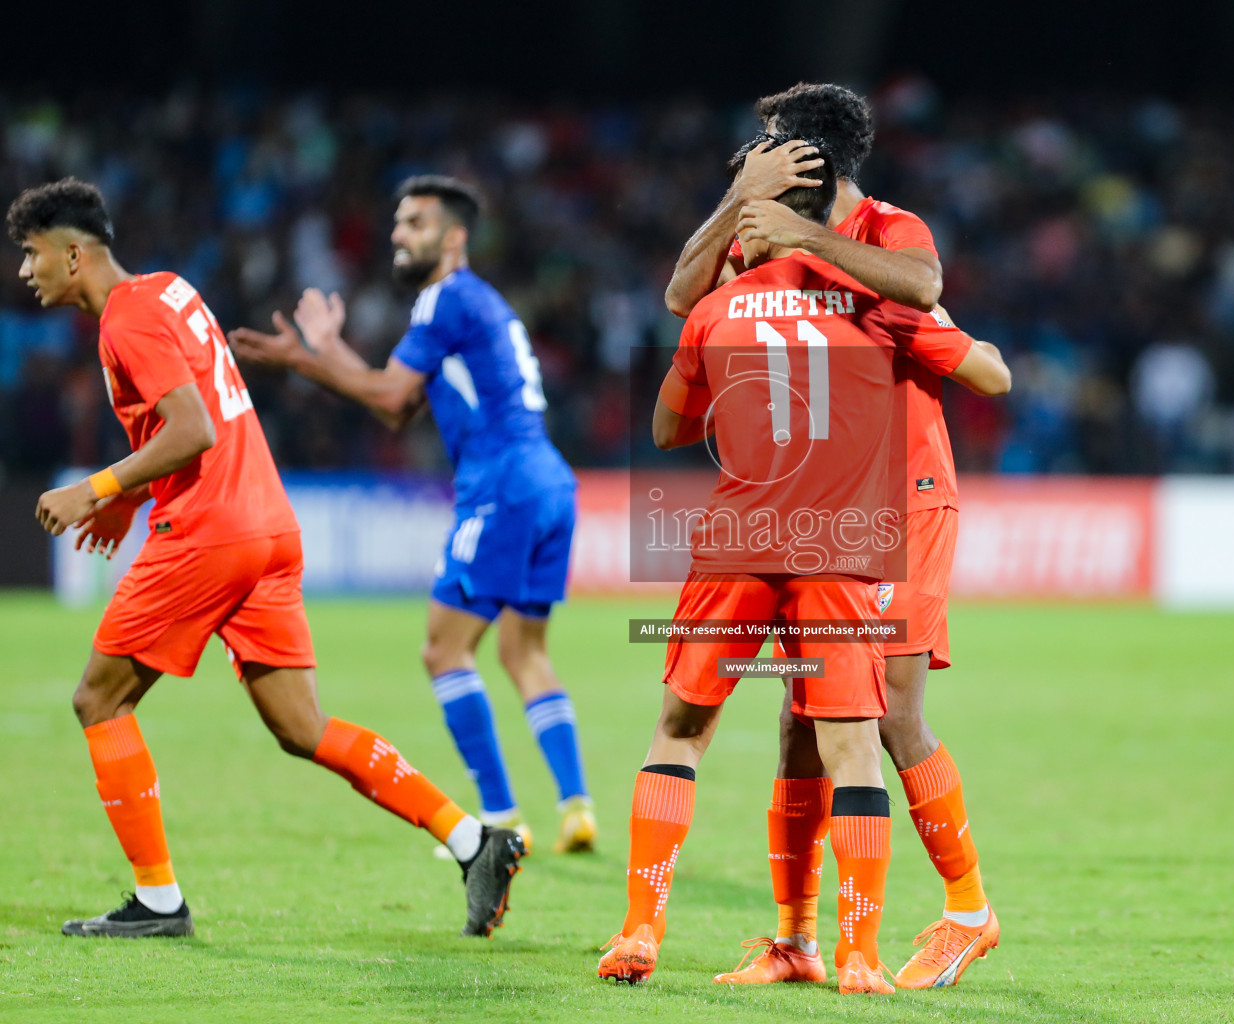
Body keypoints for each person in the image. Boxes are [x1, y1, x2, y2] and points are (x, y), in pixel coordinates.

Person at [11, 177, 523, 939]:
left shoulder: (125, 320)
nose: (25, 271)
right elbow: (199, 416)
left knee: (99, 700)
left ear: (74, 253)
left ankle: (157, 902)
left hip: (209, 533)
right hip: (267, 525)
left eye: (32, 254)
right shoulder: (167, 291)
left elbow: (192, 430)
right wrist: (128, 498)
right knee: (301, 727)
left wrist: (98, 487)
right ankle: (472, 839)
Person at [599, 140, 1011, 994]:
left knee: (887, 717)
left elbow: (985, 365)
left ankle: (968, 911)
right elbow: (688, 297)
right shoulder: (761, 262)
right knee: (804, 723)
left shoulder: (885, 243)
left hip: (903, 502)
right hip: (819, 526)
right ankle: (799, 941)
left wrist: (827, 266)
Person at [230, 176, 596, 855]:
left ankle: (501, 816)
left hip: (502, 486)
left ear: (454, 238)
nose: (399, 234)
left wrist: (303, 363)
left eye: (416, 223)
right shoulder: (478, 304)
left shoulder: (444, 298)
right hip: (550, 482)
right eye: (397, 223)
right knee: (524, 652)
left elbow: (391, 391)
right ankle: (576, 804)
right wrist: (329, 349)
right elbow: (396, 407)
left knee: (443, 650)